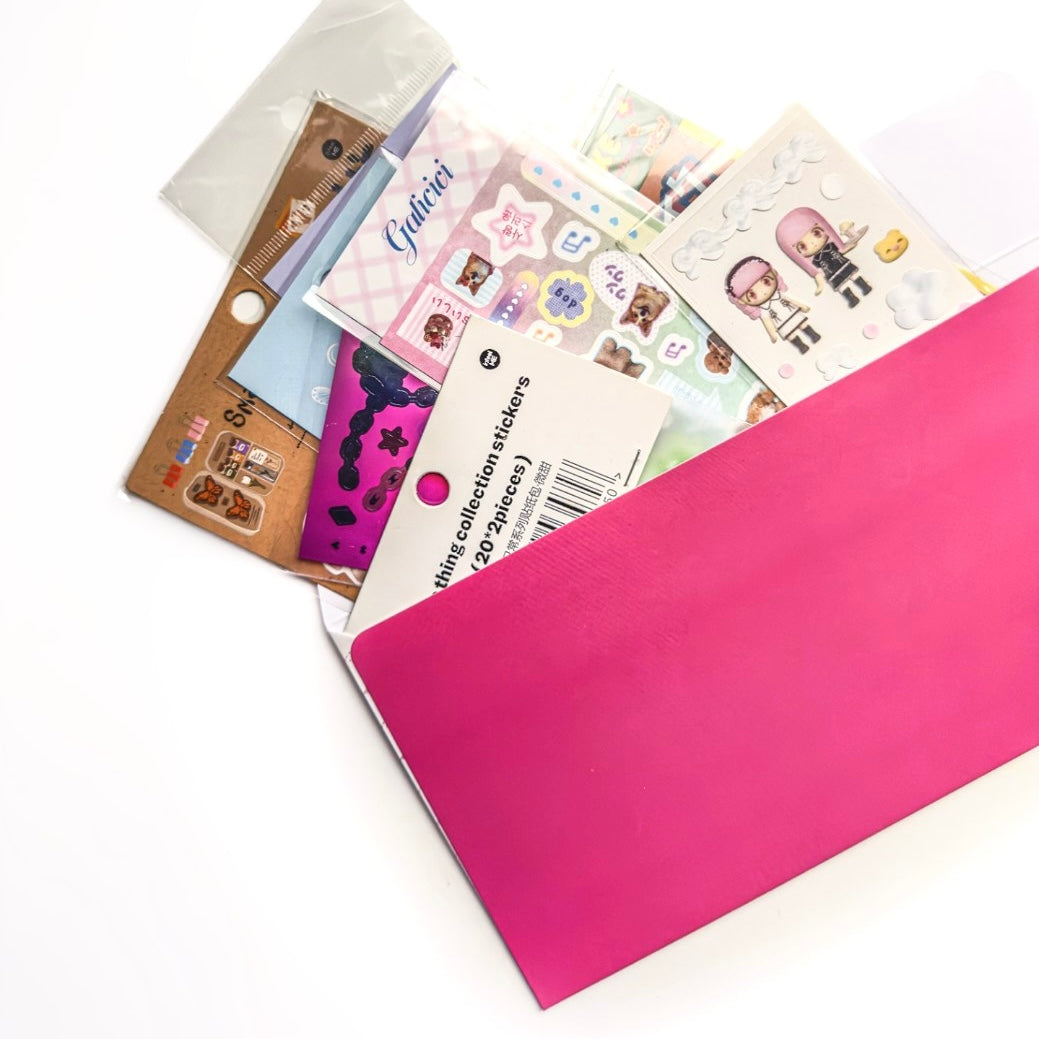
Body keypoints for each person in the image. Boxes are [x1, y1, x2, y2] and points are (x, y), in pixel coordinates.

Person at [775, 207, 872, 307]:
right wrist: (820, 283)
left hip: (842, 264)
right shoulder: (815, 260)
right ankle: (851, 298)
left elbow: (841, 249)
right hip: (831, 274)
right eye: (802, 246)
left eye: (816, 233)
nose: (813, 243)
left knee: (853, 275)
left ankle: (864, 286)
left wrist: (849, 245)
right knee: (841, 286)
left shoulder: (830, 246)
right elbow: (818, 272)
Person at [725, 255, 820, 354]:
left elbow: (792, 300)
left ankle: (813, 335)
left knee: (803, 324)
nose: (763, 292)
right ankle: (801, 346)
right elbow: (767, 322)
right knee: (790, 335)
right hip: (781, 323)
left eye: (766, 281)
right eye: (752, 294)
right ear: (741, 301)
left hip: (792, 312)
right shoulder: (764, 309)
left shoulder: (779, 295)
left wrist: (803, 306)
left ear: (774, 273)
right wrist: (772, 334)